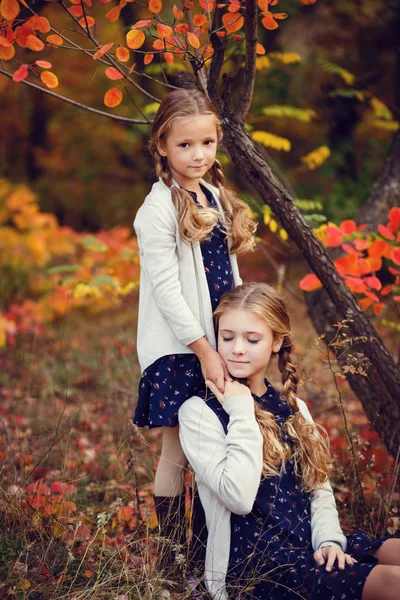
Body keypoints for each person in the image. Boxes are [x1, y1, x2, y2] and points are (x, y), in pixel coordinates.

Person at [178, 282, 399, 600]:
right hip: (261, 569)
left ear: (276, 342)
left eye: (252, 339)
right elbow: (237, 497)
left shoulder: (293, 406)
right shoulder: (199, 413)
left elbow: (318, 489)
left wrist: (328, 542)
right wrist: (240, 409)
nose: (237, 348)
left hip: (311, 545)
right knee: (394, 583)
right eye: (227, 337)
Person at [133, 88, 256, 561]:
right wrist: (204, 349)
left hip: (218, 344)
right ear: (161, 145)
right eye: (185, 145)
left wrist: (239, 331)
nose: (198, 154)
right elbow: (168, 293)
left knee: (213, 450)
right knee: (177, 452)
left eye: (206, 143)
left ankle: (208, 555)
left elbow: (230, 274)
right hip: (181, 348)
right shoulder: (158, 209)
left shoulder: (213, 195)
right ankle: (169, 557)